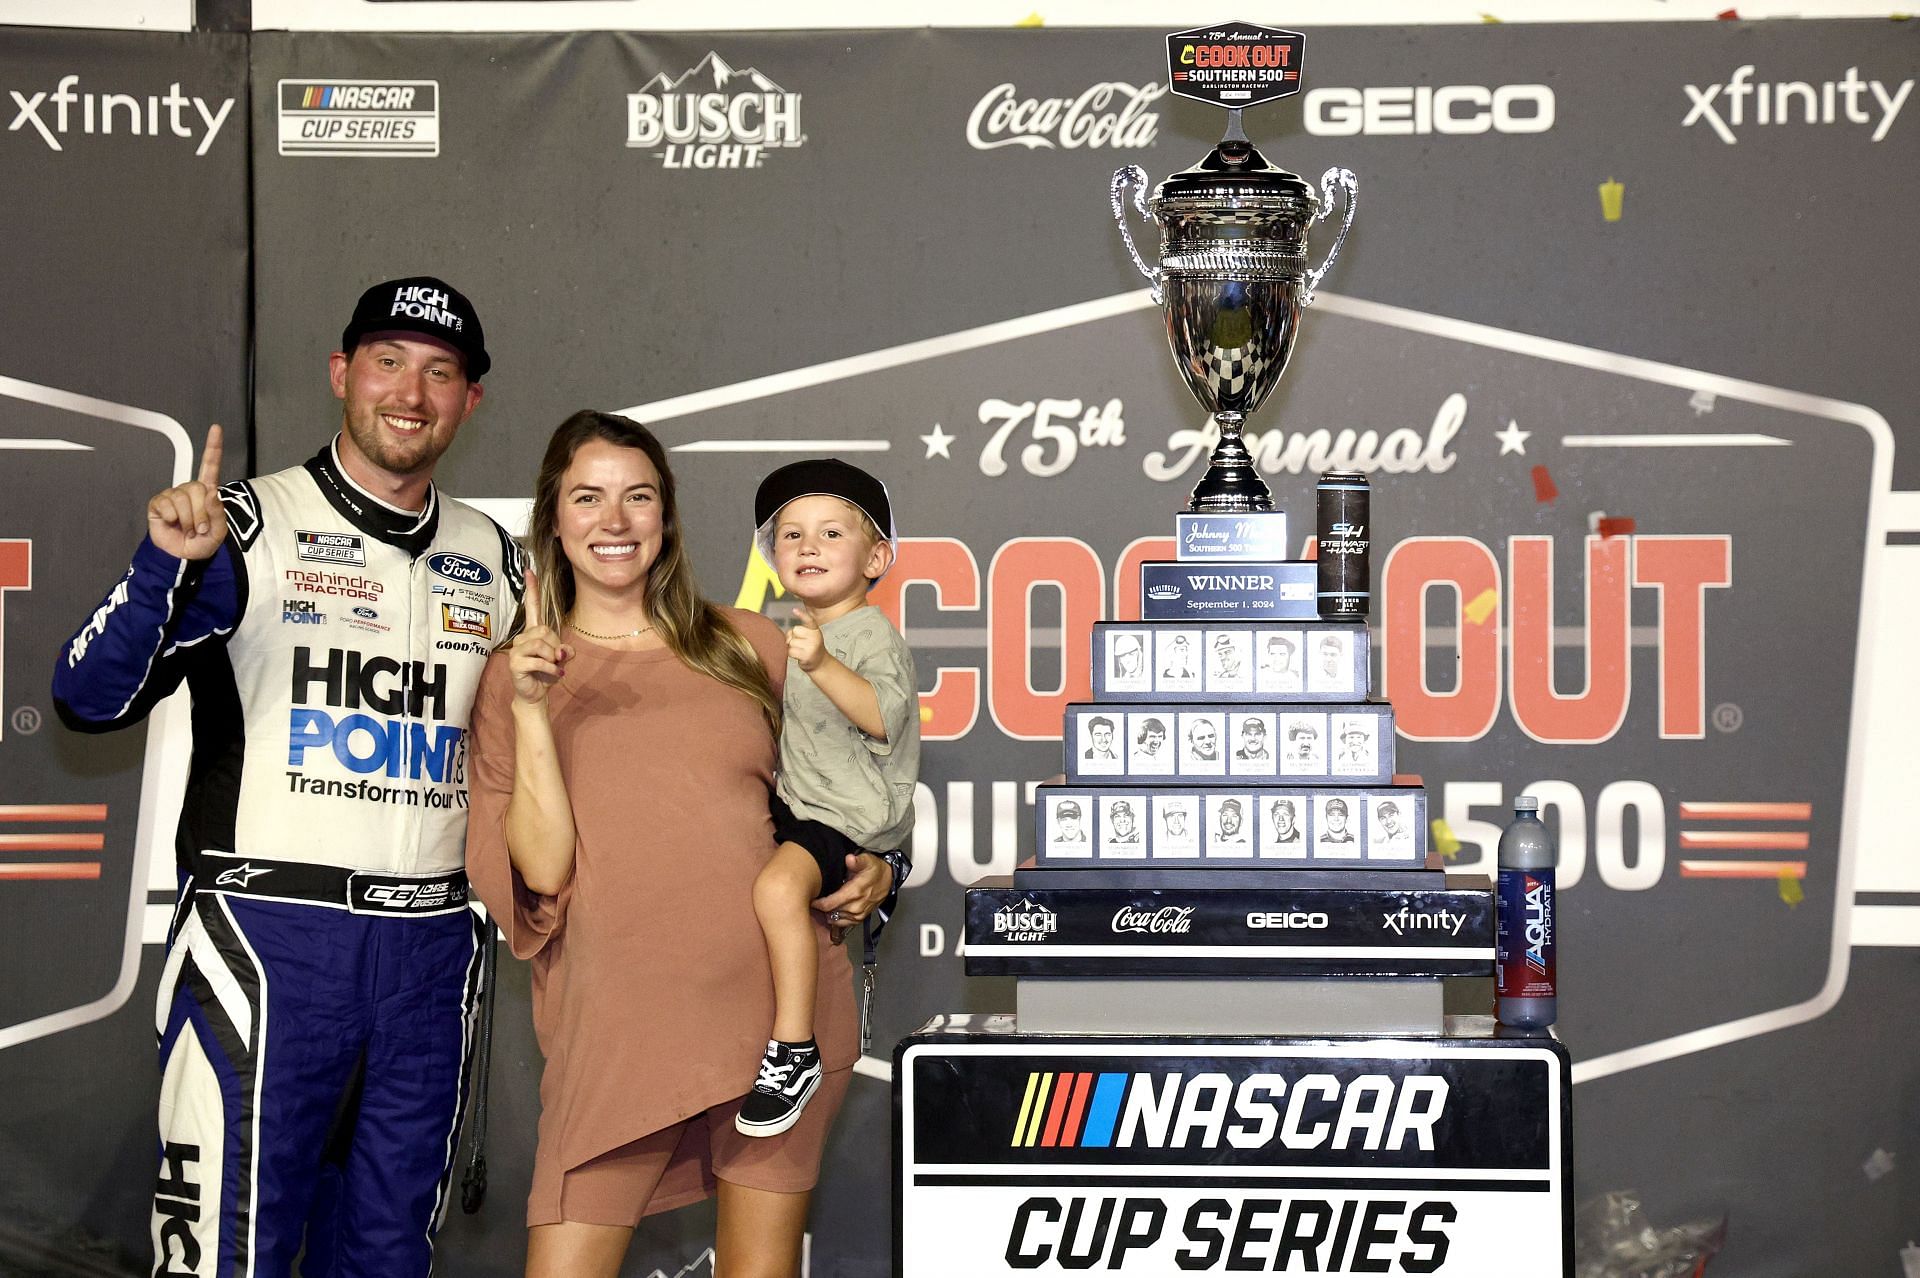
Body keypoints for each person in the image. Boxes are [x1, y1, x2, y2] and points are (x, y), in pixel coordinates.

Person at [51, 276, 519, 1276]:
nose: (412, 392)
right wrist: (161, 567)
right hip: (268, 942)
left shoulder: (498, 559)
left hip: (431, 957)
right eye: (388, 362)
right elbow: (88, 698)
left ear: (471, 402)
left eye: (442, 373)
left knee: (388, 1255)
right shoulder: (245, 527)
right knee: (224, 1252)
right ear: (342, 373)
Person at [466, 414, 893, 1278]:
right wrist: (531, 706)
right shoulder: (513, 676)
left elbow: (852, 778)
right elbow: (542, 869)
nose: (614, 521)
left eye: (639, 497)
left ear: (666, 518)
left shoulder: (752, 644)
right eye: (588, 498)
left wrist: (880, 862)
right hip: (616, 1032)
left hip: (782, 1027)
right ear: (554, 516)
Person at [743, 458, 918, 1138]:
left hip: (840, 822)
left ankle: (795, 1048)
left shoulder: (871, 636)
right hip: (798, 808)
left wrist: (819, 663)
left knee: (776, 891)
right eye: (790, 535)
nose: (807, 547)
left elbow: (881, 716)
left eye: (830, 534)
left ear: (877, 557)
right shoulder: (793, 632)